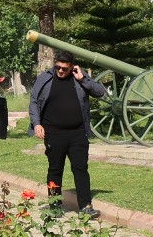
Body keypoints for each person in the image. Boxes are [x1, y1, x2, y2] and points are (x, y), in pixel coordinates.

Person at [29, 51, 109, 220]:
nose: (60, 71)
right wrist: (37, 124)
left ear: (72, 66)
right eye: (57, 67)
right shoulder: (45, 78)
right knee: (55, 170)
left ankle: (86, 206)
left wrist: (83, 79)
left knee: (81, 169)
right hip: (54, 133)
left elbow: (100, 92)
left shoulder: (79, 76)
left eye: (64, 69)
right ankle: (55, 205)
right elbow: (34, 101)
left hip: (77, 133)